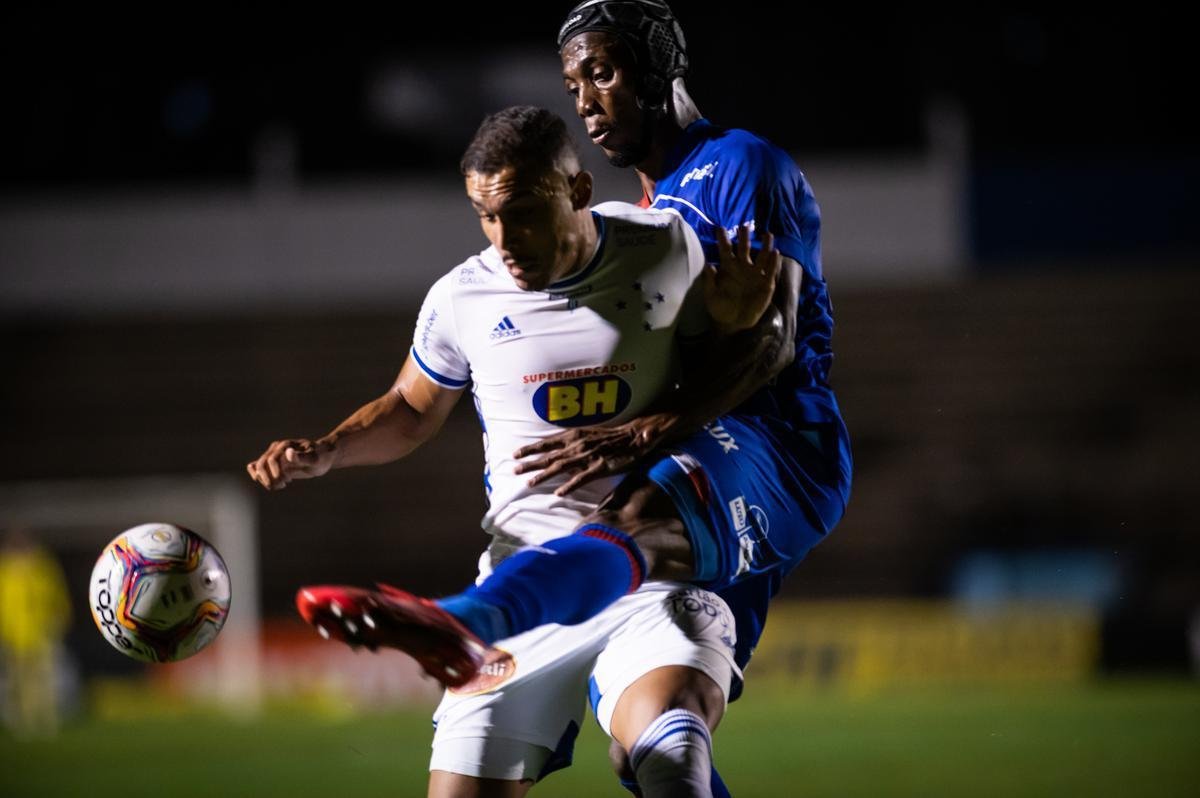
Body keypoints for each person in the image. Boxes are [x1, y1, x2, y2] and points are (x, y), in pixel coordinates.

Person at [293, 2, 855, 794]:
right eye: (573, 82)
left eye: (604, 71)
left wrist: (653, 424)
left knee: (635, 527)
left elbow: (774, 340)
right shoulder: (634, 217)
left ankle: (468, 618)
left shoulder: (736, 166)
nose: (587, 99)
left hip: (771, 444)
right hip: (678, 478)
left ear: (661, 65)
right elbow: (416, 403)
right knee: (657, 756)